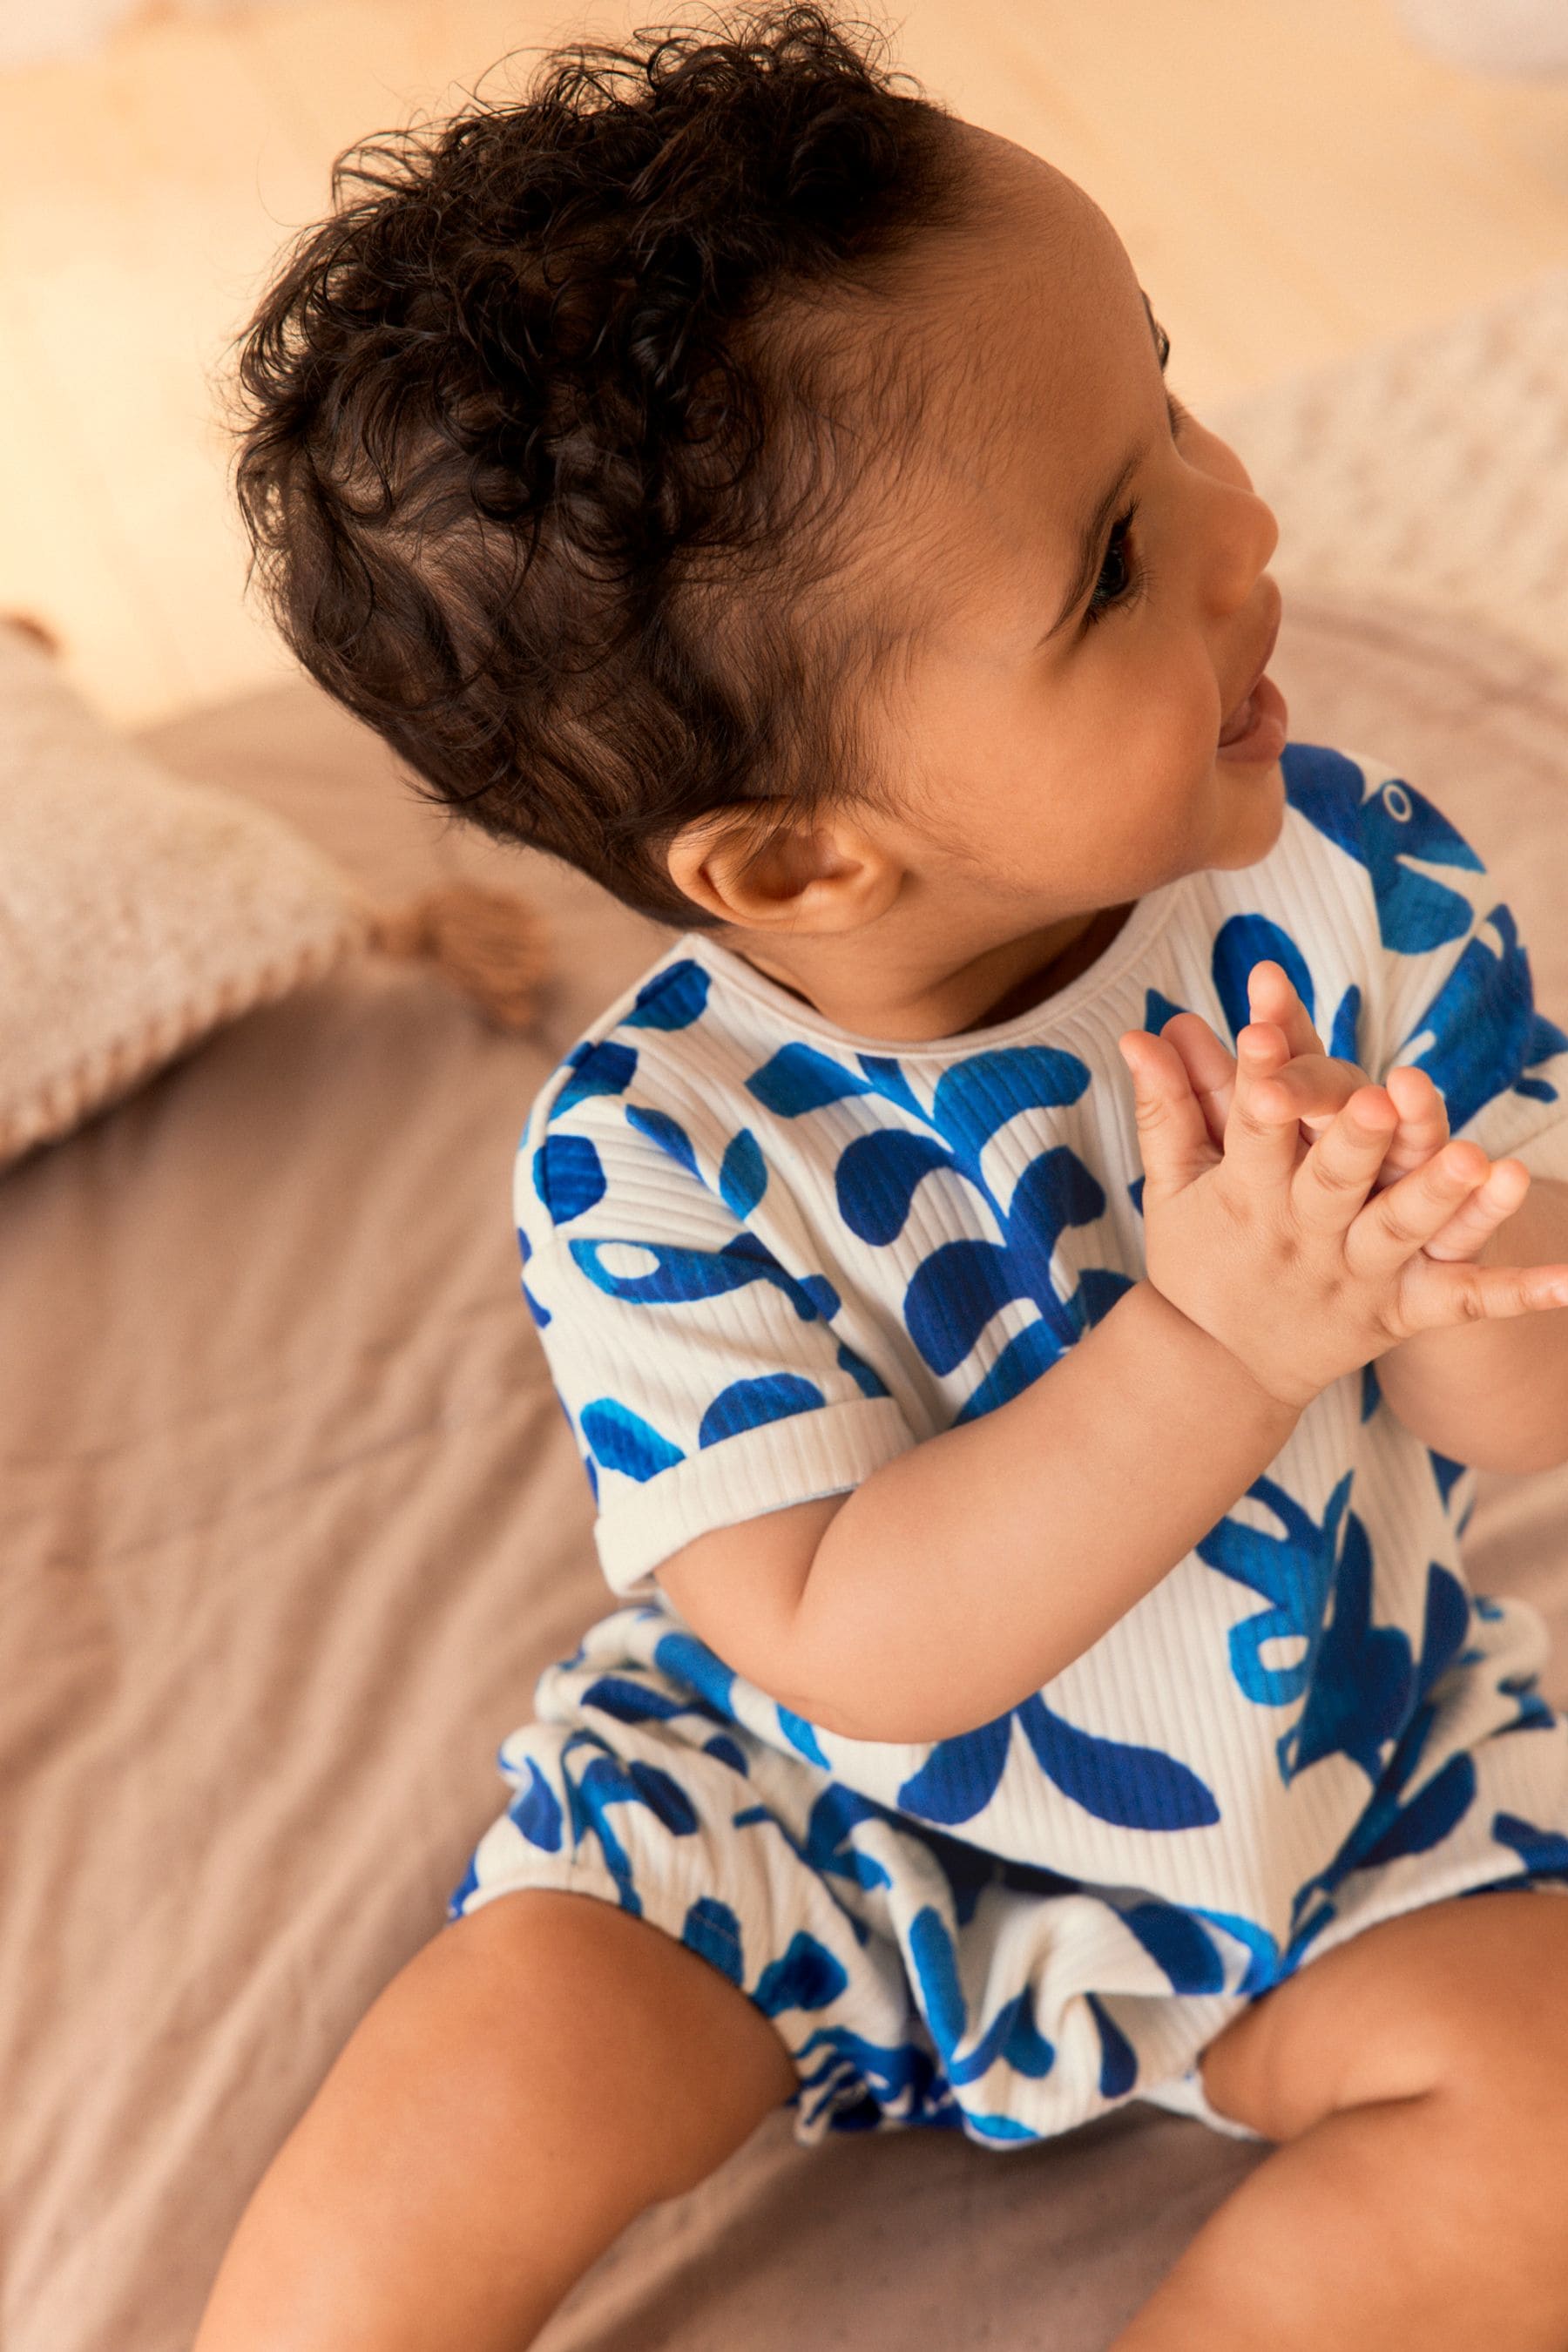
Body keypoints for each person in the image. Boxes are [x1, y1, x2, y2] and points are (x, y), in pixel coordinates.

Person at [197, 7, 1568, 2344]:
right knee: (476, 2081)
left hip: (1331, 1771)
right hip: (805, 1813)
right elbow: (856, 1640)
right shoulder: (652, 1156)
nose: (1250, 525)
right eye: (1120, 557)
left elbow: (1517, 1421)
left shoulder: (1353, 886)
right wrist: (1222, 1341)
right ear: (800, 860)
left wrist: (1449, 1253)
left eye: (1169, 395)